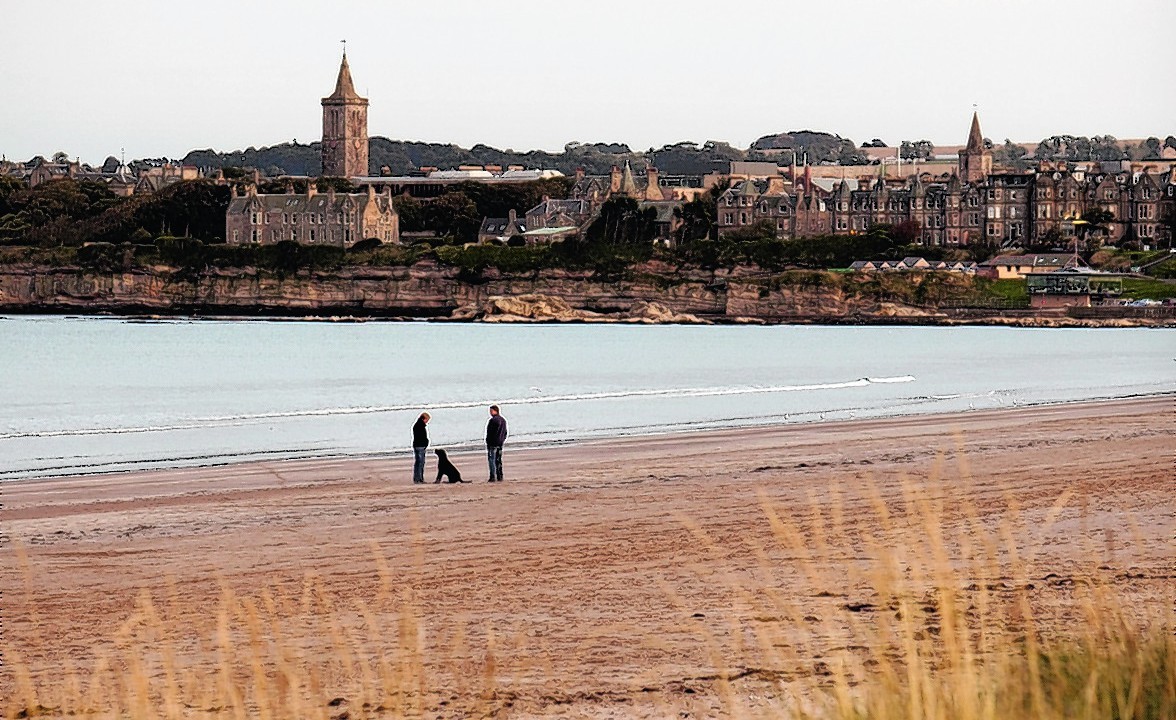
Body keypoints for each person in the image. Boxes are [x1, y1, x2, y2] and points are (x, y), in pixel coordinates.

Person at [485, 405, 507, 482]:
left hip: (493, 443)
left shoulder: (493, 420)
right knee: (498, 460)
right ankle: (500, 476)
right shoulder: (503, 420)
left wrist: (488, 441)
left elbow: (490, 432)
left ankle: (492, 476)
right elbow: (505, 432)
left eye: (491, 411)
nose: (490, 413)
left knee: (492, 460)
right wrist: (502, 439)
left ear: (495, 411)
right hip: (500, 442)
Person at [411, 412, 430, 484]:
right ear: (424, 419)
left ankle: (417, 478)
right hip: (420, 446)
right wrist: (426, 442)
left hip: (417, 445)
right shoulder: (420, 426)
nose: (427, 422)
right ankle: (419, 479)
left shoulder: (417, 425)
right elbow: (422, 437)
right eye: (427, 420)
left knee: (418, 463)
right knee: (420, 463)